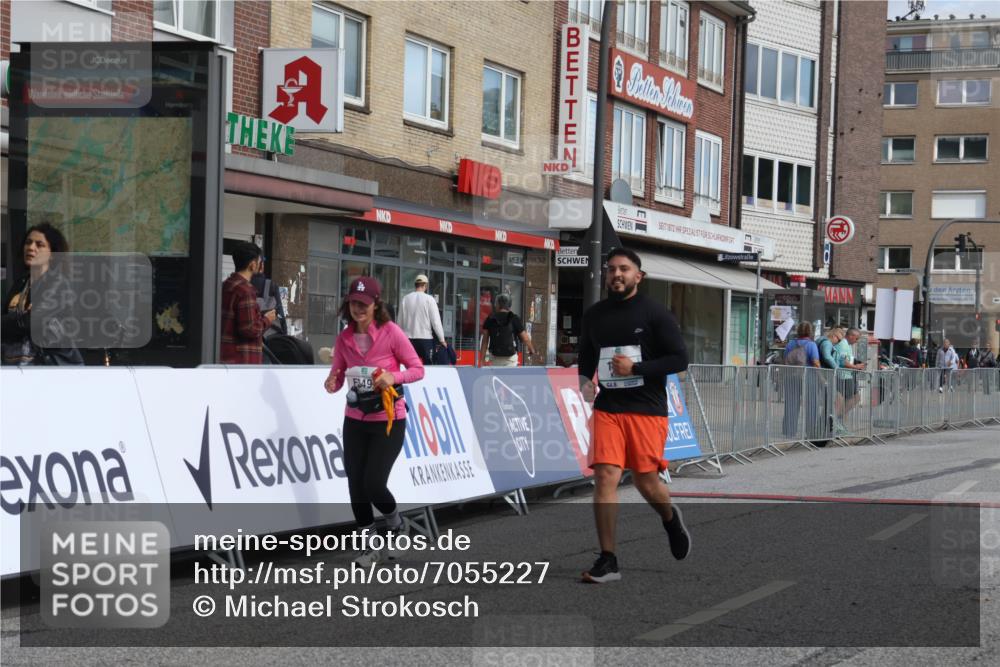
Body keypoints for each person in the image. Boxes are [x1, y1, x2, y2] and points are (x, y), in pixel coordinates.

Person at [576, 247, 690, 583]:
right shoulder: (594, 316)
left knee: (645, 481)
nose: (616, 274)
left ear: (638, 275)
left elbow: (678, 360)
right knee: (606, 476)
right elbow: (586, 355)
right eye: (611, 269)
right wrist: (584, 382)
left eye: (624, 269)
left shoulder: (656, 314)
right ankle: (608, 559)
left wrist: (636, 368)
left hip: (646, 409)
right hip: (609, 408)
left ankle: (670, 518)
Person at [324, 276, 425, 566]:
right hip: (355, 418)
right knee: (355, 484)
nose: (358, 309)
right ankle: (369, 547)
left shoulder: (391, 332)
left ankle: (397, 525)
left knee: (373, 483)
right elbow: (338, 372)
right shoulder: (344, 338)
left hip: (388, 419)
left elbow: (418, 369)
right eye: (354, 304)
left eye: (364, 304)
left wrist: (394, 376)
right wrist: (332, 381)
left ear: (375, 304)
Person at [2, 224, 83, 366]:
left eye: (40, 245)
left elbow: (32, 322)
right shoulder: (21, 283)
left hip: (51, 367)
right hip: (16, 366)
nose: (31, 248)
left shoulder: (58, 283)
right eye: (28, 242)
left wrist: (22, 320)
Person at [220, 241, 277, 364]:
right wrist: (267, 319)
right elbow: (250, 329)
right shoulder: (246, 291)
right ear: (252, 265)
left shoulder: (226, 285)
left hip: (225, 357)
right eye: (259, 261)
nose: (260, 265)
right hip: (243, 360)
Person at [781, 322, 821, 439]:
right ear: (810, 332)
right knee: (811, 403)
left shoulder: (790, 344)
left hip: (791, 376)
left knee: (791, 403)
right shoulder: (811, 345)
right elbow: (815, 362)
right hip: (808, 377)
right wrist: (821, 378)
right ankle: (811, 431)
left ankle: (789, 431)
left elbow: (785, 359)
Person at [397, 274, 446, 365]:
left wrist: (399, 339)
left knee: (408, 366)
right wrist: (442, 339)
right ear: (425, 286)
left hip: (408, 339)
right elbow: (436, 322)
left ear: (415, 285)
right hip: (425, 339)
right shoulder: (429, 299)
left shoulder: (405, 299)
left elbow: (400, 322)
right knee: (429, 368)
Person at [480, 293, 535, 367]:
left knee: (497, 378)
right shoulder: (514, 318)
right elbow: (525, 338)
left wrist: (482, 360)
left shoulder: (490, 319)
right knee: (509, 378)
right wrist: (531, 349)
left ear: (497, 304)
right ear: (509, 306)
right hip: (510, 359)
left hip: (495, 358)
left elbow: (484, 341)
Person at [835, 328, 866, 428]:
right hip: (843, 376)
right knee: (855, 398)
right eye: (856, 339)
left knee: (853, 398)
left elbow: (848, 360)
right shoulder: (843, 345)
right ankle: (838, 418)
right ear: (851, 336)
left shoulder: (846, 345)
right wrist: (856, 367)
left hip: (847, 375)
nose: (856, 341)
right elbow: (843, 361)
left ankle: (840, 418)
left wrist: (856, 364)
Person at [250, 256, 287, 336]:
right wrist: (285, 333)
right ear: (261, 265)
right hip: (268, 336)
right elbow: (280, 313)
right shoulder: (271, 285)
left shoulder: (243, 284)